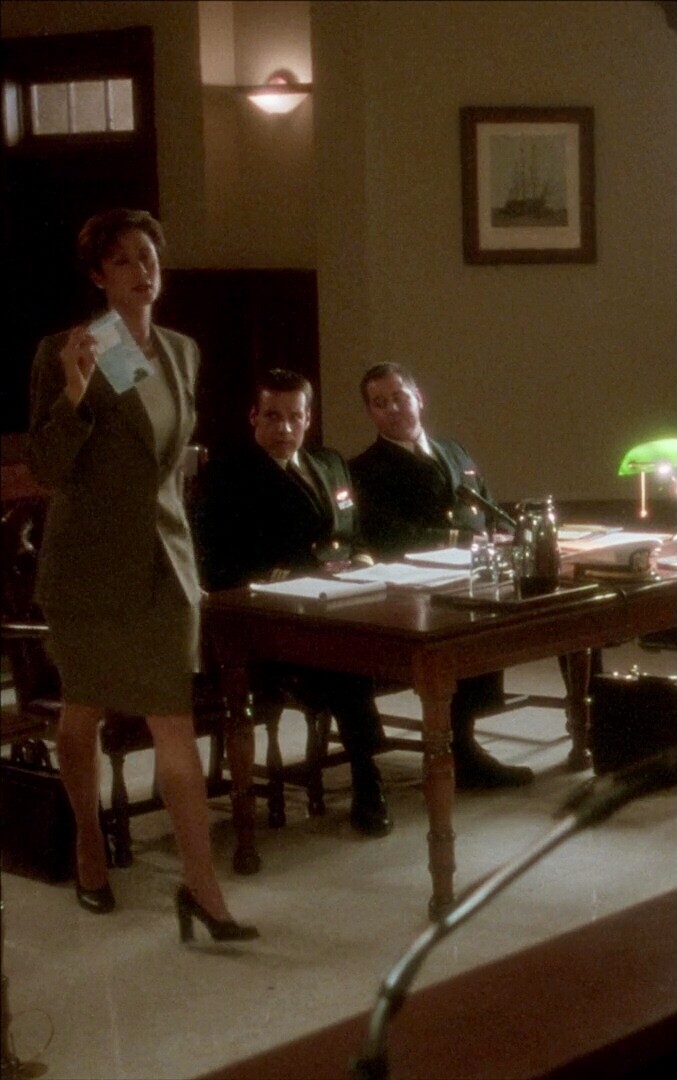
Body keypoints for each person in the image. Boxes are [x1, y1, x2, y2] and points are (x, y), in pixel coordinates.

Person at [28, 208, 258, 943]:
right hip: (89, 570)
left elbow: (164, 457)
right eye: (124, 259)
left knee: (172, 722)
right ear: (99, 275)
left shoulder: (181, 350)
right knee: (83, 713)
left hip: (164, 563)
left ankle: (203, 890)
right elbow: (46, 467)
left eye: (149, 256)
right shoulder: (70, 349)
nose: (142, 270)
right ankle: (88, 848)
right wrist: (73, 391)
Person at [197, 368, 392, 837]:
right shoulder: (227, 476)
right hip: (270, 627)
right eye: (272, 417)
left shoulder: (329, 462)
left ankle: (391, 762)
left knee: (376, 642)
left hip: (339, 604)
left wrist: (362, 558)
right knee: (347, 663)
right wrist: (288, 577)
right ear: (253, 417)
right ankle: (368, 778)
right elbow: (219, 565)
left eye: (295, 417)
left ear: (308, 419)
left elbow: (353, 530)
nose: (285, 428)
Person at [349, 362, 534, 790]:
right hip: (421, 591)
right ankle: (461, 747)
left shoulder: (453, 450)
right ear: (371, 413)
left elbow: (486, 504)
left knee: (510, 617)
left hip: (479, 577)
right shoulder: (364, 469)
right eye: (380, 403)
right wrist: (460, 539)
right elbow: (388, 535)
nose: (392, 409)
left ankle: (466, 736)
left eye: (399, 397)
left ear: (419, 397)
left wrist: (504, 533)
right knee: (460, 636)